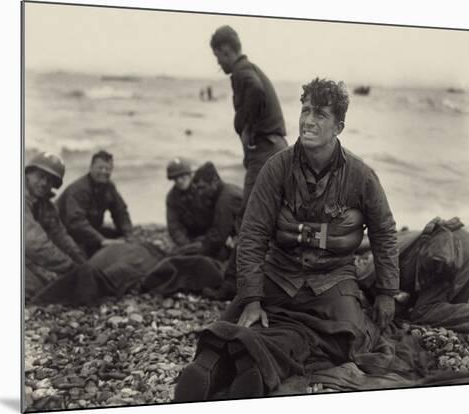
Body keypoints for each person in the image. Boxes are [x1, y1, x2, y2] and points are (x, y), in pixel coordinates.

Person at [174, 78, 399, 401]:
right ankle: (216, 368)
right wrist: (251, 297)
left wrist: (388, 292)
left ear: (339, 126)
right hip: (279, 276)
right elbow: (252, 234)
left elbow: (384, 231)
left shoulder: (361, 176)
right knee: (237, 322)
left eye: (320, 114)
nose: (308, 121)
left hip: (332, 282)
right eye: (305, 110)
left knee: (346, 340)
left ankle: (249, 358)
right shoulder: (276, 168)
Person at [356, 217, 469, 336]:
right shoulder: (400, 243)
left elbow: (368, 280)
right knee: (451, 307)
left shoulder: (375, 265)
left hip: (445, 250)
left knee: (423, 312)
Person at [210, 25, 288, 207]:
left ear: (225, 51)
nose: (218, 64)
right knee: (272, 211)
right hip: (275, 146)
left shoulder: (241, 71)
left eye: (217, 57)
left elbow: (256, 89)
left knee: (251, 212)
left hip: (265, 149)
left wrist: (248, 129)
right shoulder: (249, 68)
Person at [24, 152, 88, 300]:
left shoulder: (44, 204)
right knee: (34, 290)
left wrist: (83, 264)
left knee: (48, 286)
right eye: (40, 176)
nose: (44, 183)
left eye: (50, 180)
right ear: (28, 174)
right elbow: (34, 244)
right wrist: (69, 266)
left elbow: (60, 235)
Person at [57, 150, 133, 257]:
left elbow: (120, 212)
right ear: (91, 167)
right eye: (100, 168)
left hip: (90, 230)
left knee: (124, 240)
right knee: (81, 262)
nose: (104, 172)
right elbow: (75, 222)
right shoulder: (79, 189)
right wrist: (101, 240)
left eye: (108, 169)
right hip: (66, 232)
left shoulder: (109, 187)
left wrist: (128, 235)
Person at [166, 158, 243, 261]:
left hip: (215, 235)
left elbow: (221, 227)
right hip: (196, 237)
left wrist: (203, 248)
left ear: (189, 175)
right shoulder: (172, 198)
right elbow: (174, 227)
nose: (179, 180)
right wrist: (187, 246)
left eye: (182, 176)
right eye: (175, 178)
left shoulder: (214, 190)